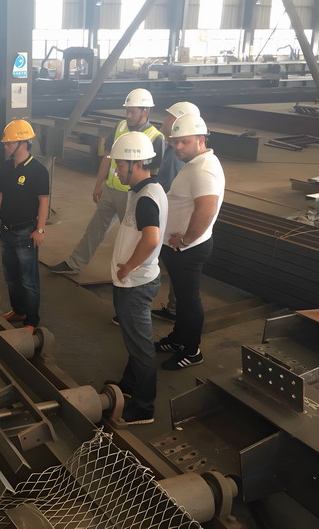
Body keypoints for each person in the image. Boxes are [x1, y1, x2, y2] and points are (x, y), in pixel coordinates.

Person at [49, 88, 164, 276]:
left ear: (146, 111)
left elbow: (152, 173)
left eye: (132, 111)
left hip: (131, 196)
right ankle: (74, 263)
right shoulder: (120, 127)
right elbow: (107, 158)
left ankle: (133, 272)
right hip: (110, 190)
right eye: (127, 111)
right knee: (94, 230)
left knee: (133, 236)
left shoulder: (155, 137)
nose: (128, 115)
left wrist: (140, 197)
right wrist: (98, 184)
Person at [155, 114, 225, 370]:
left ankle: (192, 350)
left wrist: (186, 239)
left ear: (201, 139)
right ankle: (178, 339)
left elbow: (206, 209)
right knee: (184, 300)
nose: (178, 147)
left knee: (189, 301)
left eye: (184, 141)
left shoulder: (203, 169)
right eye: (175, 142)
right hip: (181, 247)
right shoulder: (196, 164)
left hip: (188, 249)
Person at [108, 131, 167, 425]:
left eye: (120, 165)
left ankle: (144, 408)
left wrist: (128, 267)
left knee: (142, 349)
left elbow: (151, 239)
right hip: (134, 281)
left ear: (136, 164)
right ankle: (129, 385)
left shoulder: (146, 198)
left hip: (135, 284)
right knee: (135, 342)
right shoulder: (144, 190)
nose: (117, 171)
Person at [0, 119, 50, 334]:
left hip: (25, 232)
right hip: (6, 230)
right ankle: (19, 311)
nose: (5, 147)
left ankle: (31, 320)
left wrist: (39, 229)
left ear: (23, 143)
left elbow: (44, 201)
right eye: (5, 143)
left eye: (9, 143)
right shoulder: (6, 167)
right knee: (11, 276)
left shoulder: (38, 171)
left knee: (28, 279)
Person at [152, 101, 199, 323]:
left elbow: (174, 192)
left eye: (169, 117)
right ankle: (173, 309)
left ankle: (174, 311)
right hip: (167, 215)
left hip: (172, 219)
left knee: (172, 266)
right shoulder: (172, 148)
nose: (165, 120)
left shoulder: (180, 157)